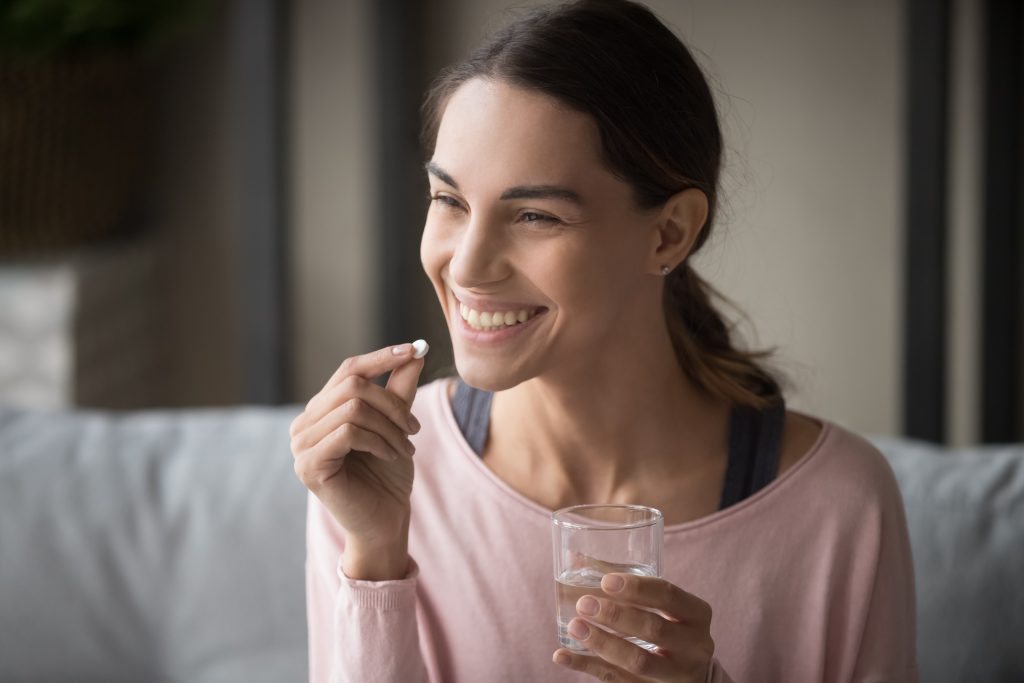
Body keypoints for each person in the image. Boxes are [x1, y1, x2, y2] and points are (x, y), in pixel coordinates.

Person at [291, 1, 918, 681]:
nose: (467, 265)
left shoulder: (838, 507)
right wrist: (375, 556)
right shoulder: (378, 473)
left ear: (669, 233)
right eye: (449, 201)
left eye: (533, 214)